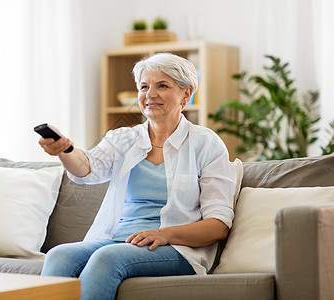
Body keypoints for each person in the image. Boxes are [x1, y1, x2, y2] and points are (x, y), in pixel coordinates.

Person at [39, 53, 236, 300]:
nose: (149, 94)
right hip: (119, 241)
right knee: (60, 255)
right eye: (144, 86)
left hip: (176, 248)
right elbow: (87, 168)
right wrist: (65, 150)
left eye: (162, 85)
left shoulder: (206, 143)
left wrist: (164, 234)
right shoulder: (124, 138)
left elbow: (218, 226)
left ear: (186, 94)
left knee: (107, 257)